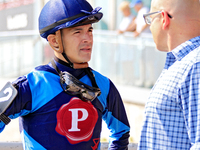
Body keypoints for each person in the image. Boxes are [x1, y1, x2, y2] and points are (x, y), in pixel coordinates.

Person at [0, 0, 130, 149]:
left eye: (90, 30)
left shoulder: (104, 85)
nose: (88, 38)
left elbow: (121, 133)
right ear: (55, 41)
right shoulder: (30, 86)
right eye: (77, 32)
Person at [138, 0, 200, 149]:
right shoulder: (184, 63)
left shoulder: (195, 64)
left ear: (164, 18)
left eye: (151, 19)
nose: (149, 26)